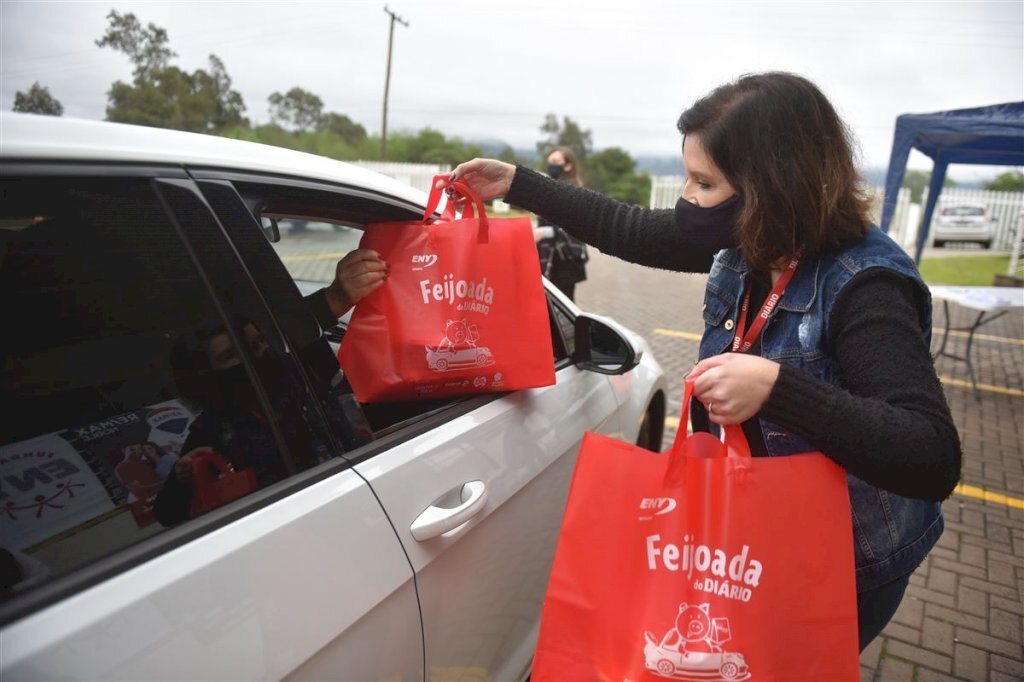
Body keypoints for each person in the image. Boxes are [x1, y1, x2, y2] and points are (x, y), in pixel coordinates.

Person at [446, 72, 961, 651]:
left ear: (774, 186)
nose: (688, 198)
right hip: (752, 533)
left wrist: (779, 390)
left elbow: (929, 454)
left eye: (705, 182)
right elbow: (628, 229)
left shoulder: (865, 284)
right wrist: (519, 183)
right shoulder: (755, 237)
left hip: (841, 562)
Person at [154, 249, 387, 525]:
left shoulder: (301, 379)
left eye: (257, 343)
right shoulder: (213, 430)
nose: (255, 357)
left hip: (354, 496)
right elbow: (167, 515)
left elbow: (300, 333)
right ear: (207, 375)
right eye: (232, 355)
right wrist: (181, 478)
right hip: (288, 524)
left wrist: (337, 295)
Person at [534, 146, 589, 300]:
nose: (551, 165)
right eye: (549, 161)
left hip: (564, 257)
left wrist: (543, 232)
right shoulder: (551, 187)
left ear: (568, 165)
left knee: (562, 302)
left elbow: (573, 225)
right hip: (552, 255)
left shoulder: (572, 191)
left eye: (555, 161)